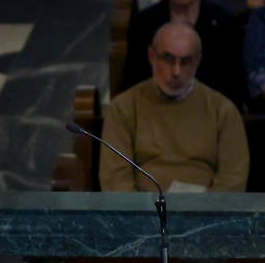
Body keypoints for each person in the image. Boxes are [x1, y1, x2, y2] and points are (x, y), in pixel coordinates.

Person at [100, 23, 249, 193]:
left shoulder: (222, 110)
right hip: (145, 212)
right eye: (168, 59)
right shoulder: (124, 107)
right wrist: (144, 216)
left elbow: (233, 180)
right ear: (152, 56)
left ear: (197, 62)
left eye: (185, 62)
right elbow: (116, 180)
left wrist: (204, 215)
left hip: (204, 212)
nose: (176, 71)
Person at [120, 0, 247, 105]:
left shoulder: (226, 23)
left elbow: (235, 87)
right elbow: (132, 84)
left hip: (210, 115)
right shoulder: (145, 23)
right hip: (156, 113)